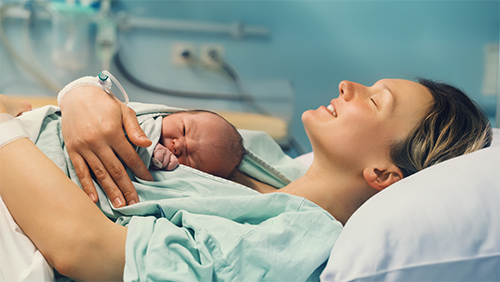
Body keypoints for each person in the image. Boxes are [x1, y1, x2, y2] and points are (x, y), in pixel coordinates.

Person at [0, 77, 492, 281]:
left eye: (374, 100)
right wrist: (81, 93)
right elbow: (125, 117)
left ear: (383, 174)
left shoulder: (294, 240)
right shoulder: (258, 155)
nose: (348, 85)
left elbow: (86, 250)